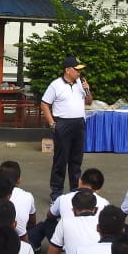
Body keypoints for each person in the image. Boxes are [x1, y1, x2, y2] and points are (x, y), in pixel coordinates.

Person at [40, 56, 92, 201]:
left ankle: (75, 190)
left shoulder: (80, 84)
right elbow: (44, 104)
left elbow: (89, 102)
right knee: (60, 160)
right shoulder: (55, 85)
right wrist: (52, 123)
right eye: (76, 70)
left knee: (76, 159)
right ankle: (56, 193)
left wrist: (87, 90)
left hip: (79, 123)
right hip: (63, 123)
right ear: (67, 70)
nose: (79, 73)